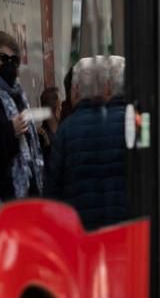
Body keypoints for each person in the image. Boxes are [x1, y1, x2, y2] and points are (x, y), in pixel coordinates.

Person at [46, 56, 127, 230]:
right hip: (125, 230)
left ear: (75, 90)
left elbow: (52, 190)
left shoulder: (66, 130)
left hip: (81, 234)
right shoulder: (131, 124)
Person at [0, 30, 44, 202]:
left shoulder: (18, 94)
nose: (9, 65)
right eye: (4, 59)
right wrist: (10, 130)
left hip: (28, 189)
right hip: (4, 193)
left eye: (15, 61)